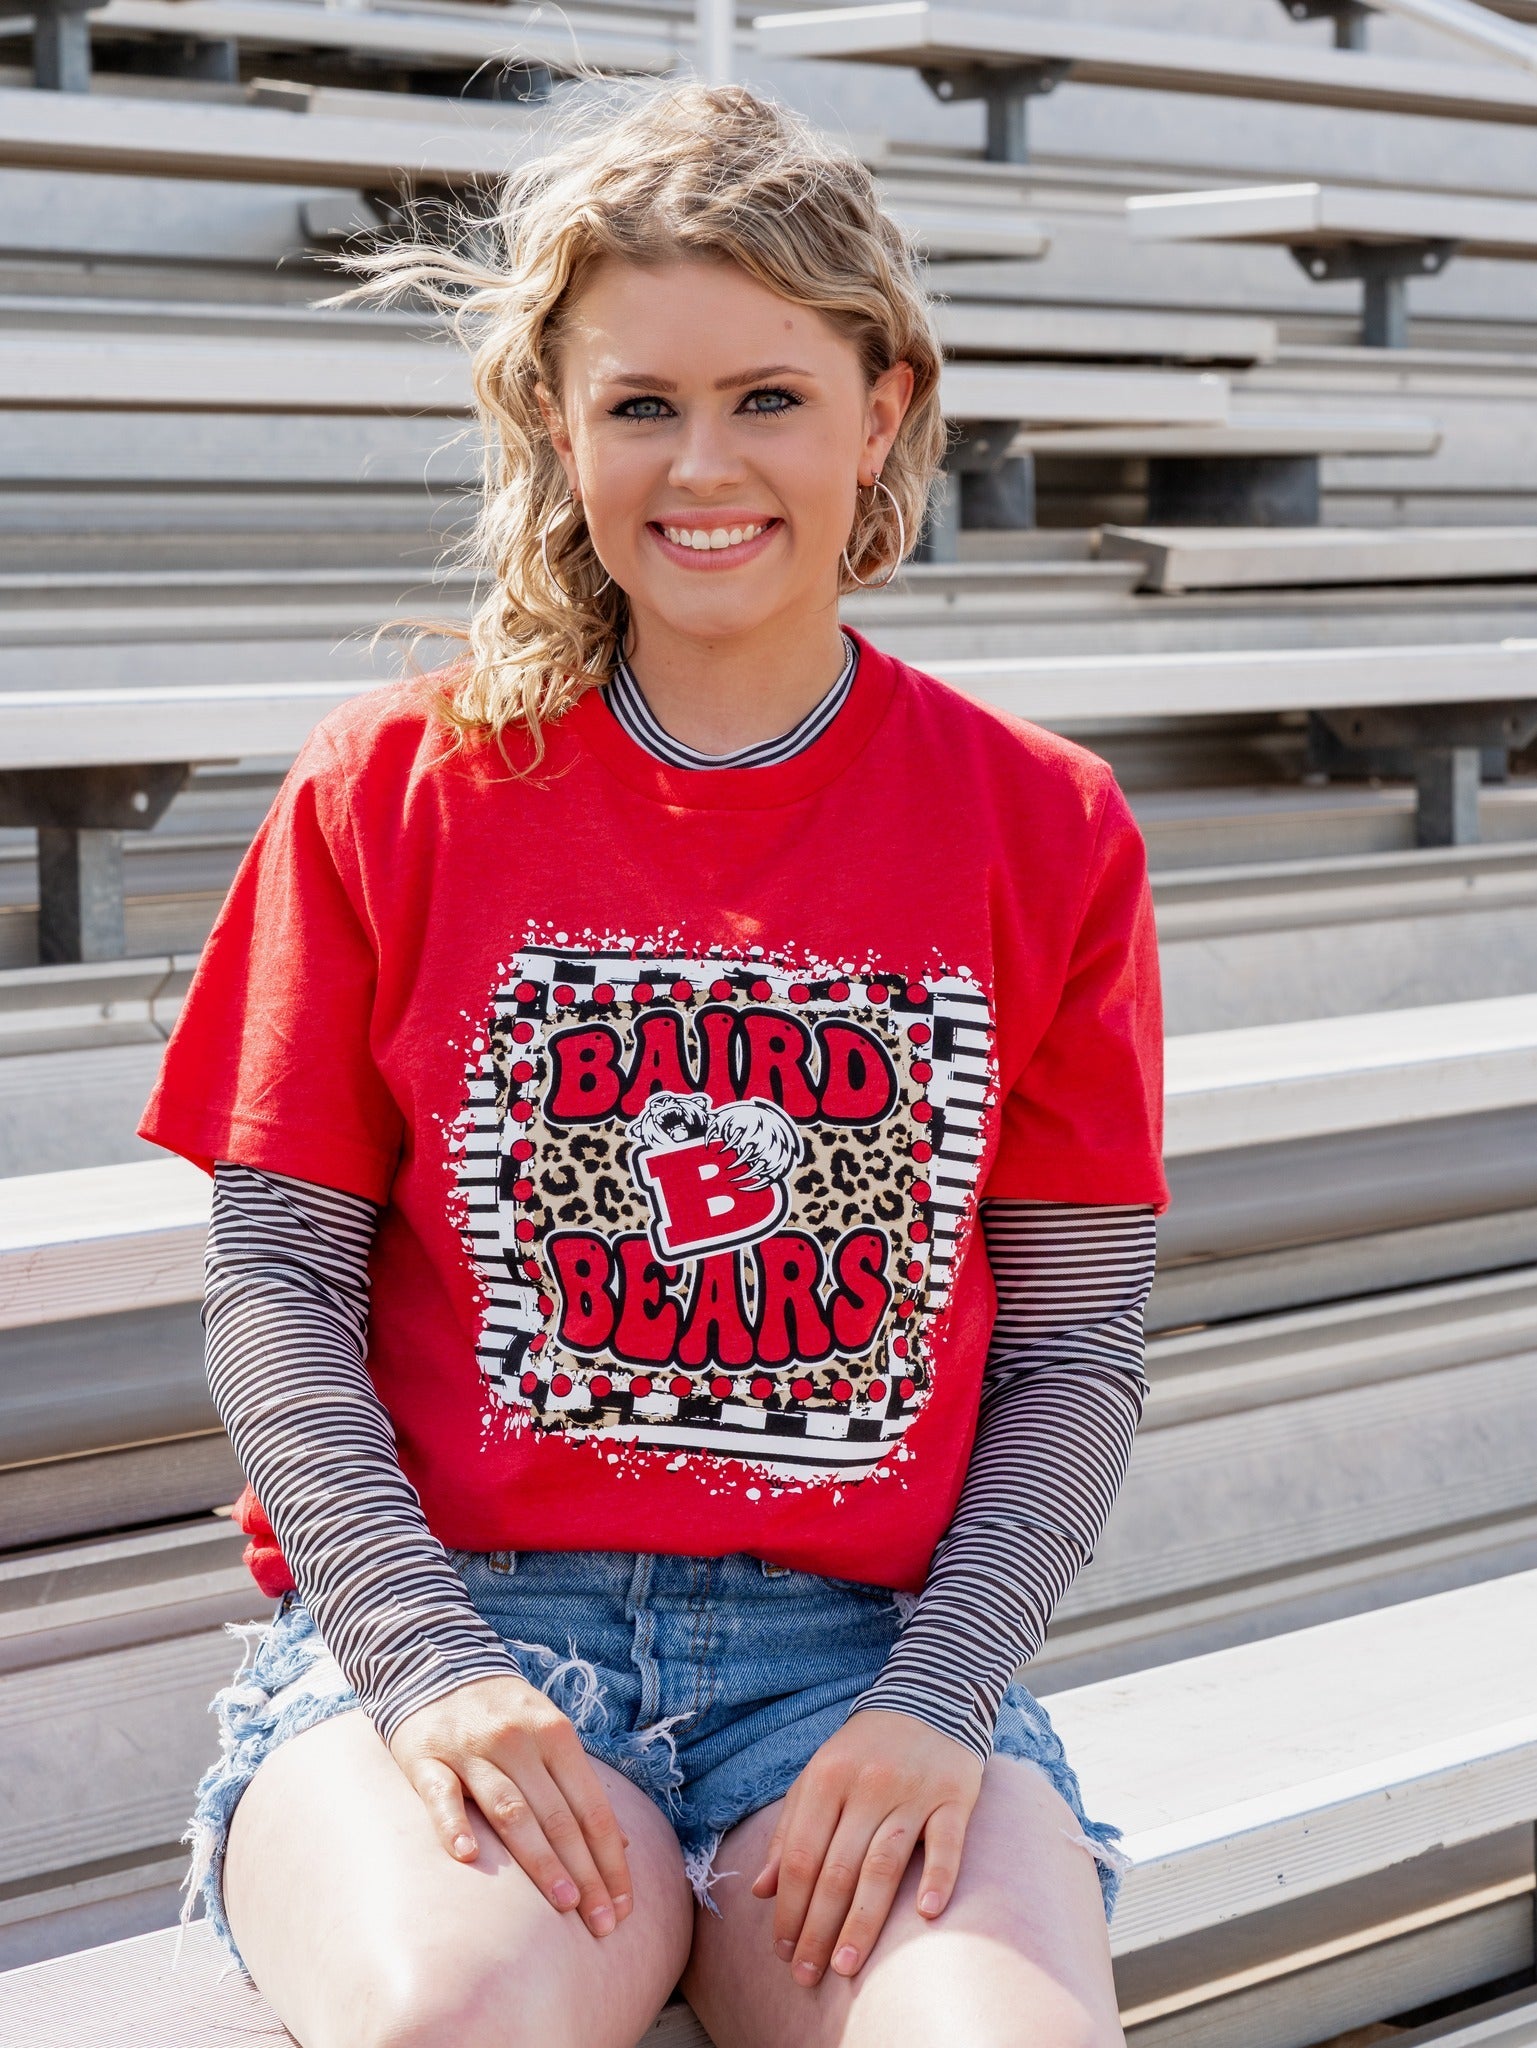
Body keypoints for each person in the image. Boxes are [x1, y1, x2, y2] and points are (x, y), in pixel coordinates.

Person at [138, 80, 1167, 2048]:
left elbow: (1069, 1354)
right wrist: (427, 1665)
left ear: (885, 406)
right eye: (640, 404)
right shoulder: (394, 789)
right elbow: (274, 1290)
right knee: (467, 2015)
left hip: (852, 1659)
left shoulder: (1044, 825)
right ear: (554, 425)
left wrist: (933, 1699)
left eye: (768, 395)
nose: (706, 463)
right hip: (458, 1623)